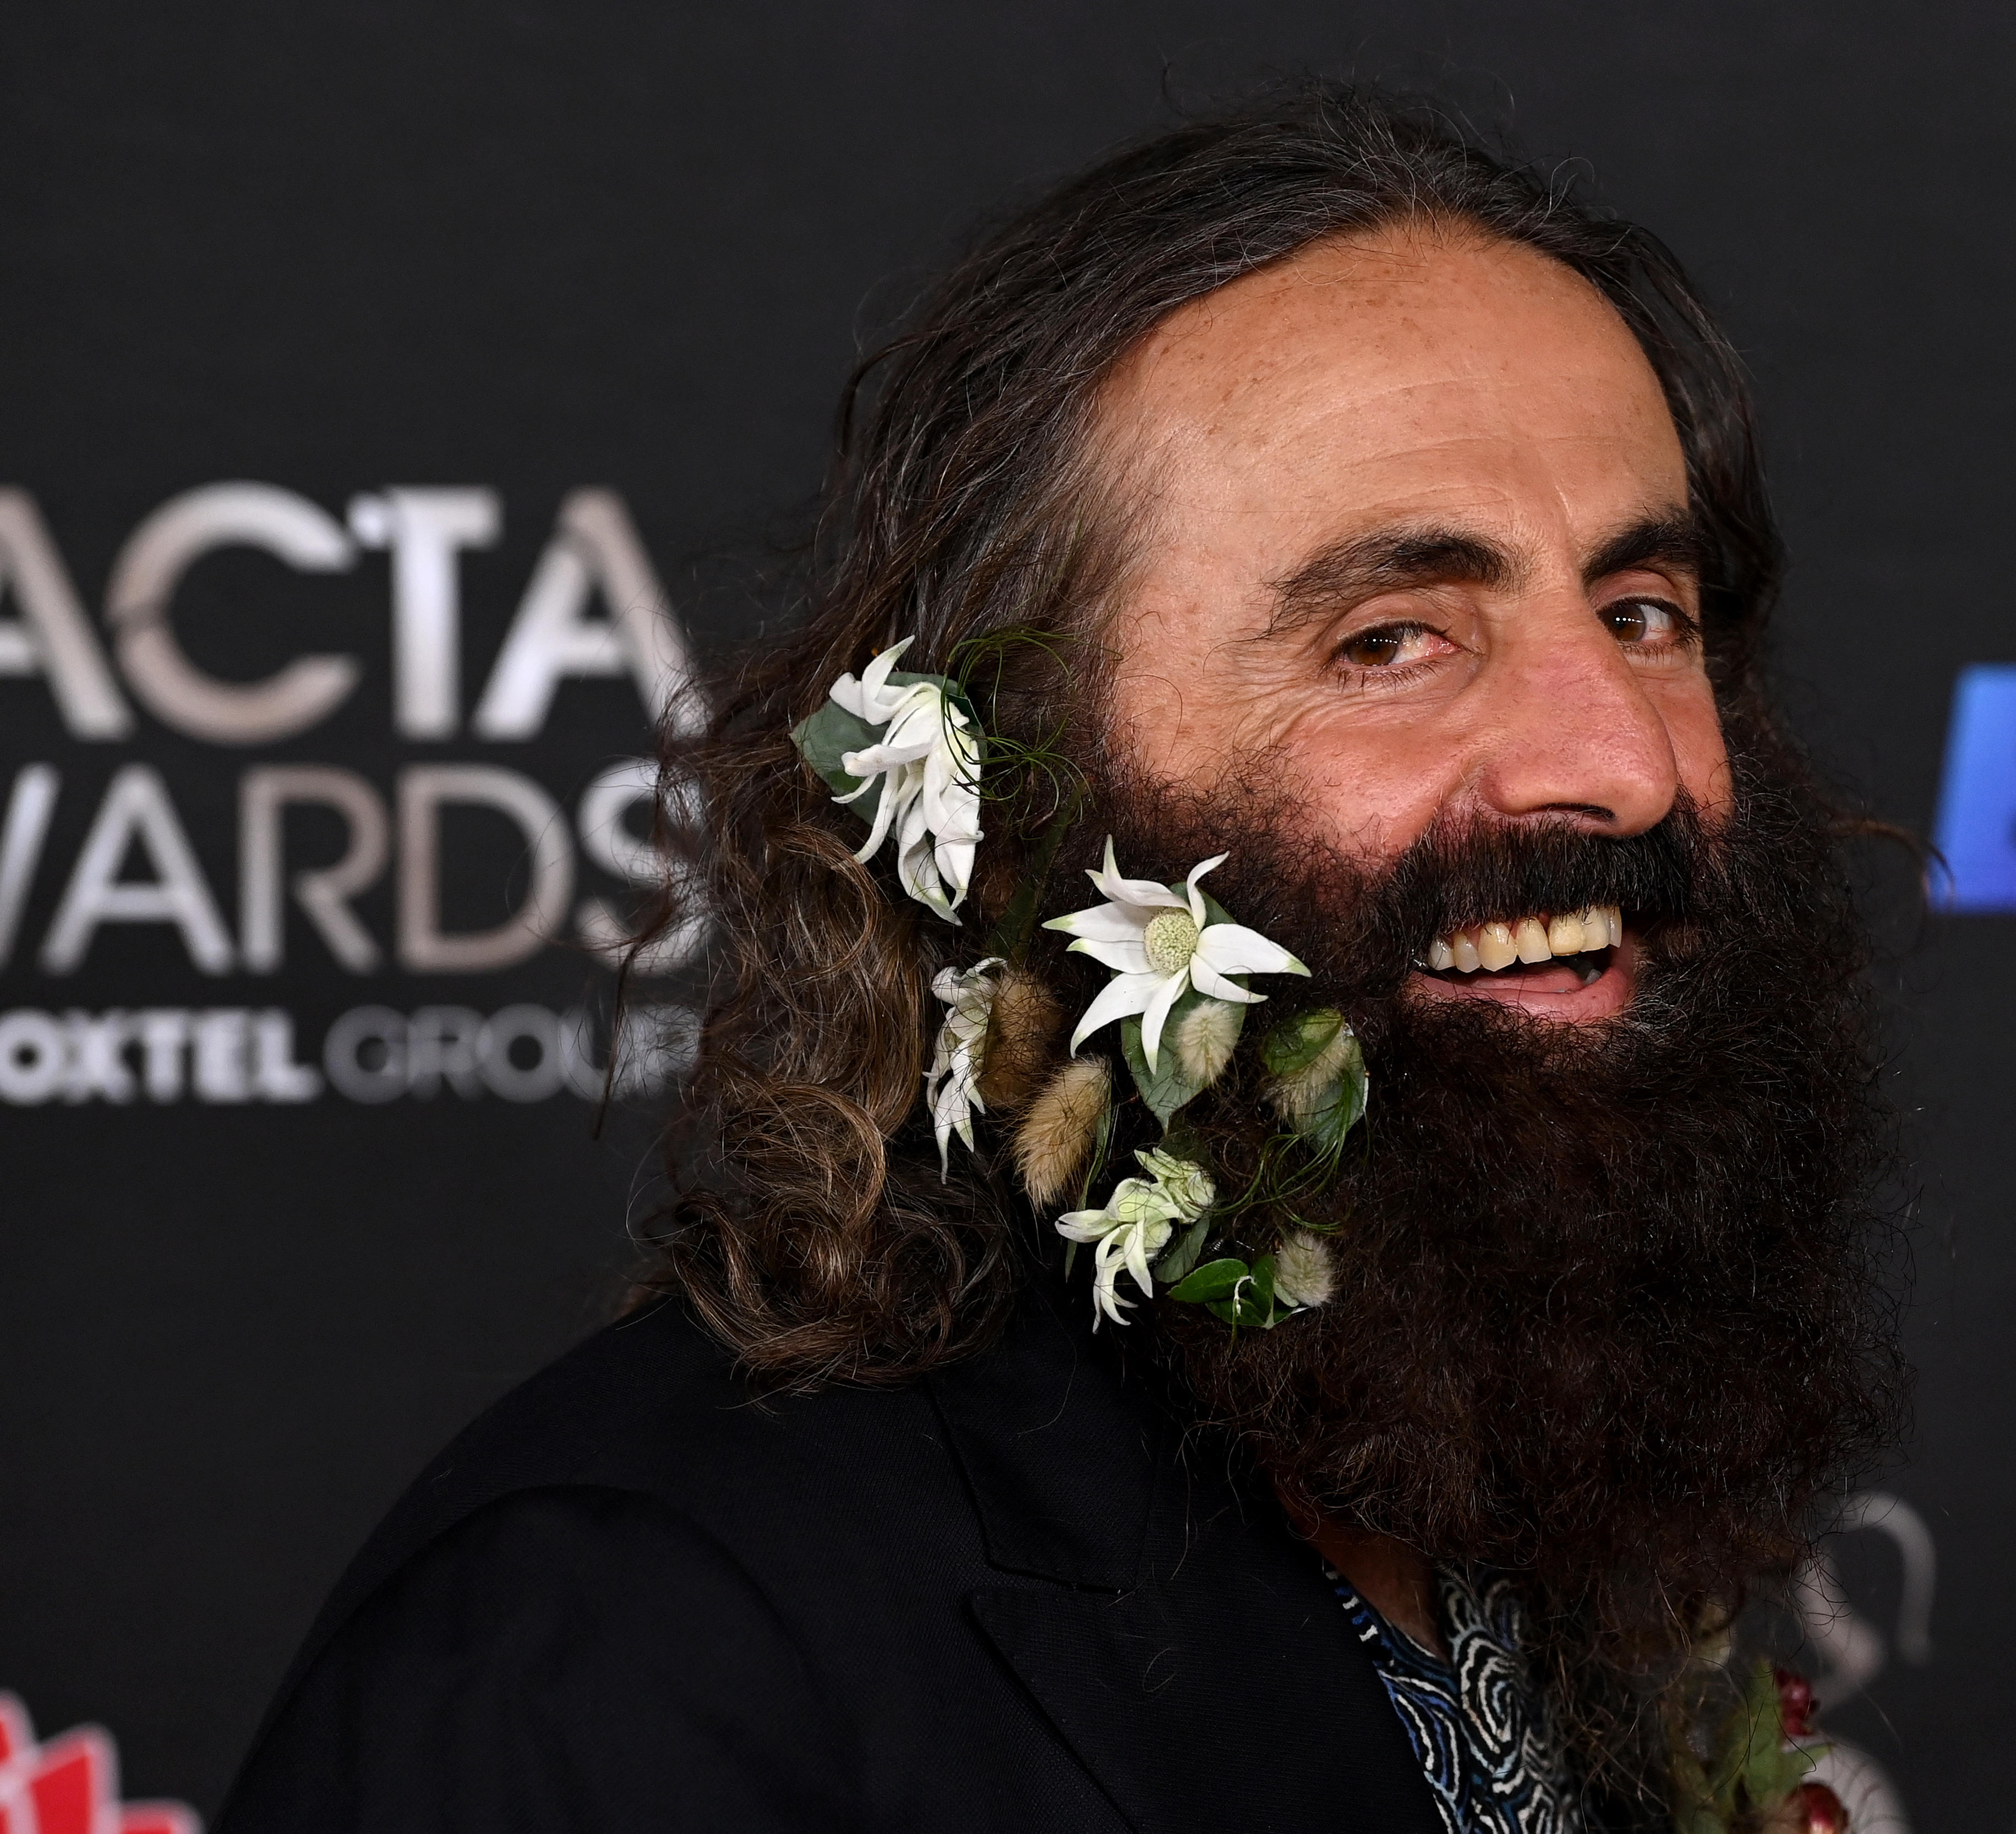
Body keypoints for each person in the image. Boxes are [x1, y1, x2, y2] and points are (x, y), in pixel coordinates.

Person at [220, 83, 1905, 1834]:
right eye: (1392, 640)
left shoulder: (1527, 1495)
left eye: (1643, 613)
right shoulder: (629, 1640)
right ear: (1020, 801)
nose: (1625, 762)